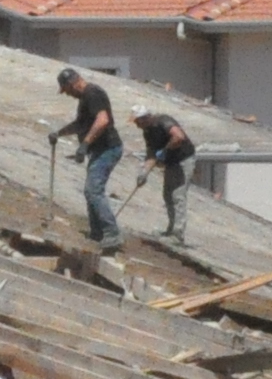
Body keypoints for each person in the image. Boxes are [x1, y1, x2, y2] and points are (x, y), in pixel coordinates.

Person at [55, 66, 125, 249]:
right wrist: (59, 133)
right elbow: (80, 124)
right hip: (99, 150)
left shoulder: (93, 93)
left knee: (94, 190)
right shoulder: (85, 98)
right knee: (90, 190)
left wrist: (85, 144)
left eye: (67, 90)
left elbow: (103, 120)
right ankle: (97, 233)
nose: (68, 94)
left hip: (108, 148)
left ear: (73, 83)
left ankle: (111, 233)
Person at [131, 108, 202, 243]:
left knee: (178, 195)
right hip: (171, 162)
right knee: (168, 195)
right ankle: (171, 229)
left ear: (144, 118)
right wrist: (144, 172)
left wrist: (165, 149)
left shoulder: (163, 121)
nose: (136, 125)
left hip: (183, 160)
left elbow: (179, 137)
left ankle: (178, 234)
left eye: (137, 121)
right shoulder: (147, 132)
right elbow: (151, 154)